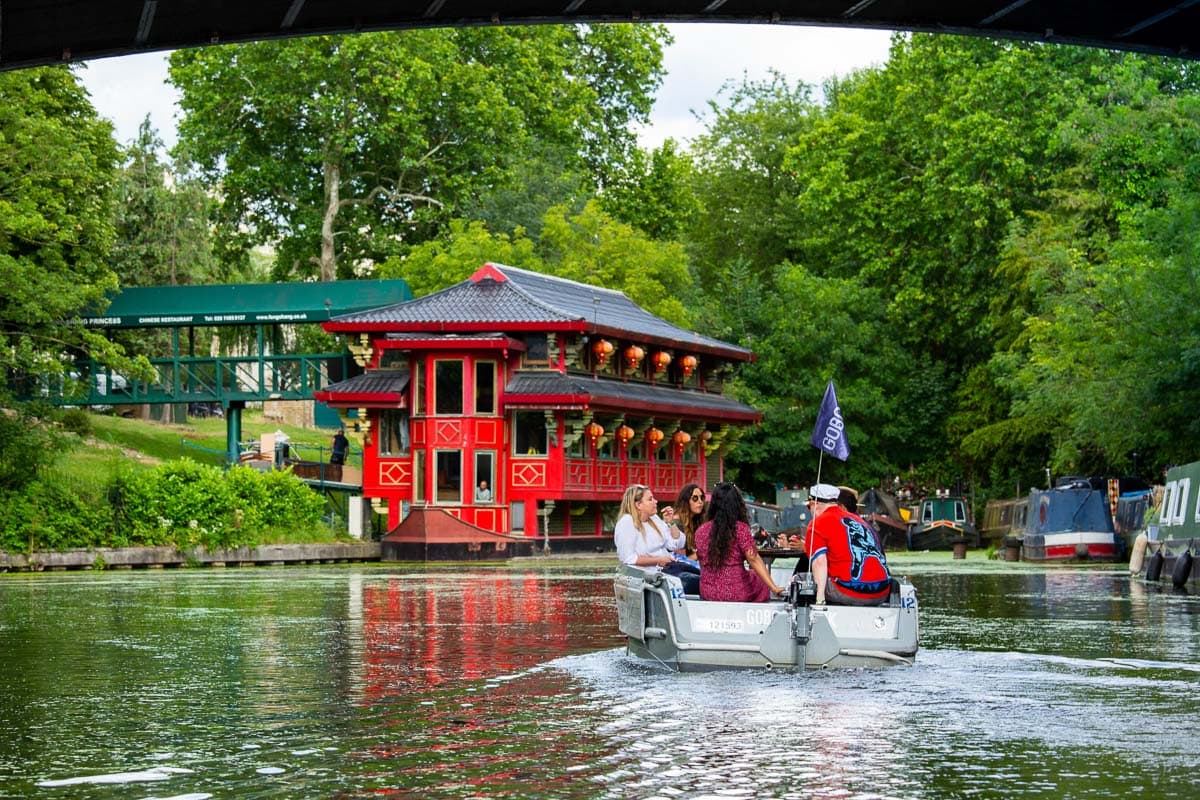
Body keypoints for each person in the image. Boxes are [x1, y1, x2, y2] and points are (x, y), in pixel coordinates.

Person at [694, 482, 786, 602]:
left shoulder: (700, 531)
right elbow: (753, 559)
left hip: (708, 591)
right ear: (737, 504)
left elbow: (702, 562)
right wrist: (774, 588)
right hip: (735, 591)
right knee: (758, 579)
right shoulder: (740, 529)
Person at [807, 483, 892, 606]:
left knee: (801, 581)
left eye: (808, 506)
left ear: (813, 504)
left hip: (849, 592)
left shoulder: (817, 524)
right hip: (882, 592)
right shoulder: (859, 520)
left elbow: (819, 563)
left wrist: (819, 599)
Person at [614, 484, 698, 594]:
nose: (656, 501)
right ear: (639, 505)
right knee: (696, 582)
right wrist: (659, 560)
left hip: (672, 567)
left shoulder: (654, 519)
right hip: (654, 575)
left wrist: (671, 523)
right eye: (650, 499)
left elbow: (677, 544)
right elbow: (629, 558)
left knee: (706, 578)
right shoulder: (627, 522)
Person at [673, 483, 707, 559]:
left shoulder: (698, 520)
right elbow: (680, 558)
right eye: (695, 498)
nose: (700, 501)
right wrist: (706, 553)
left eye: (702, 497)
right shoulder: (677, 523)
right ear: (686, 501)